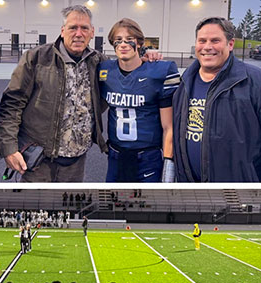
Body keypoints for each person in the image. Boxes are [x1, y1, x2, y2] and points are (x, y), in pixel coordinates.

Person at [0, 5, 106, 182]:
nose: (78, 33)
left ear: (92, 32)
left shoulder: (100, 62)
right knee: (33, 207)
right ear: (63, 31)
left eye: (84, 28)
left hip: (76, 162)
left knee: (69, 206)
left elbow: (127, 73)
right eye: (72, 28)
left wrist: (148, 60)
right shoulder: (37, 58)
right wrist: (9, 147)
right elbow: (12, 104)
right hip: (38, 160)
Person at [173, 17, 261, 182]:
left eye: (215, 40)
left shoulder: (254, 81)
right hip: (190, 186)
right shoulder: (184, 83)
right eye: (202, 41)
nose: (207, 47)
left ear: (230, 44)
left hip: (240, 189)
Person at [98, 18, 180, 182]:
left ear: (140, 43)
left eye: (129, 40)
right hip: (115, 155)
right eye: (118, 40)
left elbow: (168, 126)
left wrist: (169, 164)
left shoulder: (160, 71)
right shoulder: (104, 70)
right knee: (112, 203)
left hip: (148, 157)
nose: (123, 44)